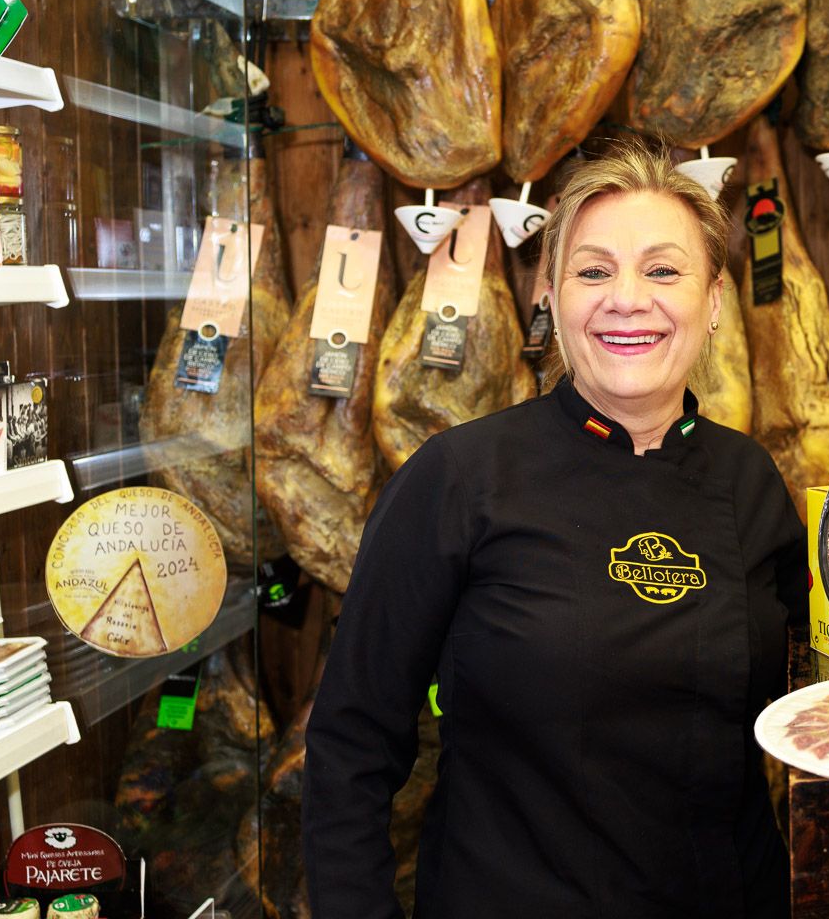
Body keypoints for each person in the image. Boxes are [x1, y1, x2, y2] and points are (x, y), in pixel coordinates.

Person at [303, 139, 803, 918]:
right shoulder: (459, 478)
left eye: (663, 271)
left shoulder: (751, 483)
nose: (626, 299)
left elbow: (811, 704)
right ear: (553, 296)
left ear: (712, 304)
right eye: (593, 271)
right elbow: (350, 748)